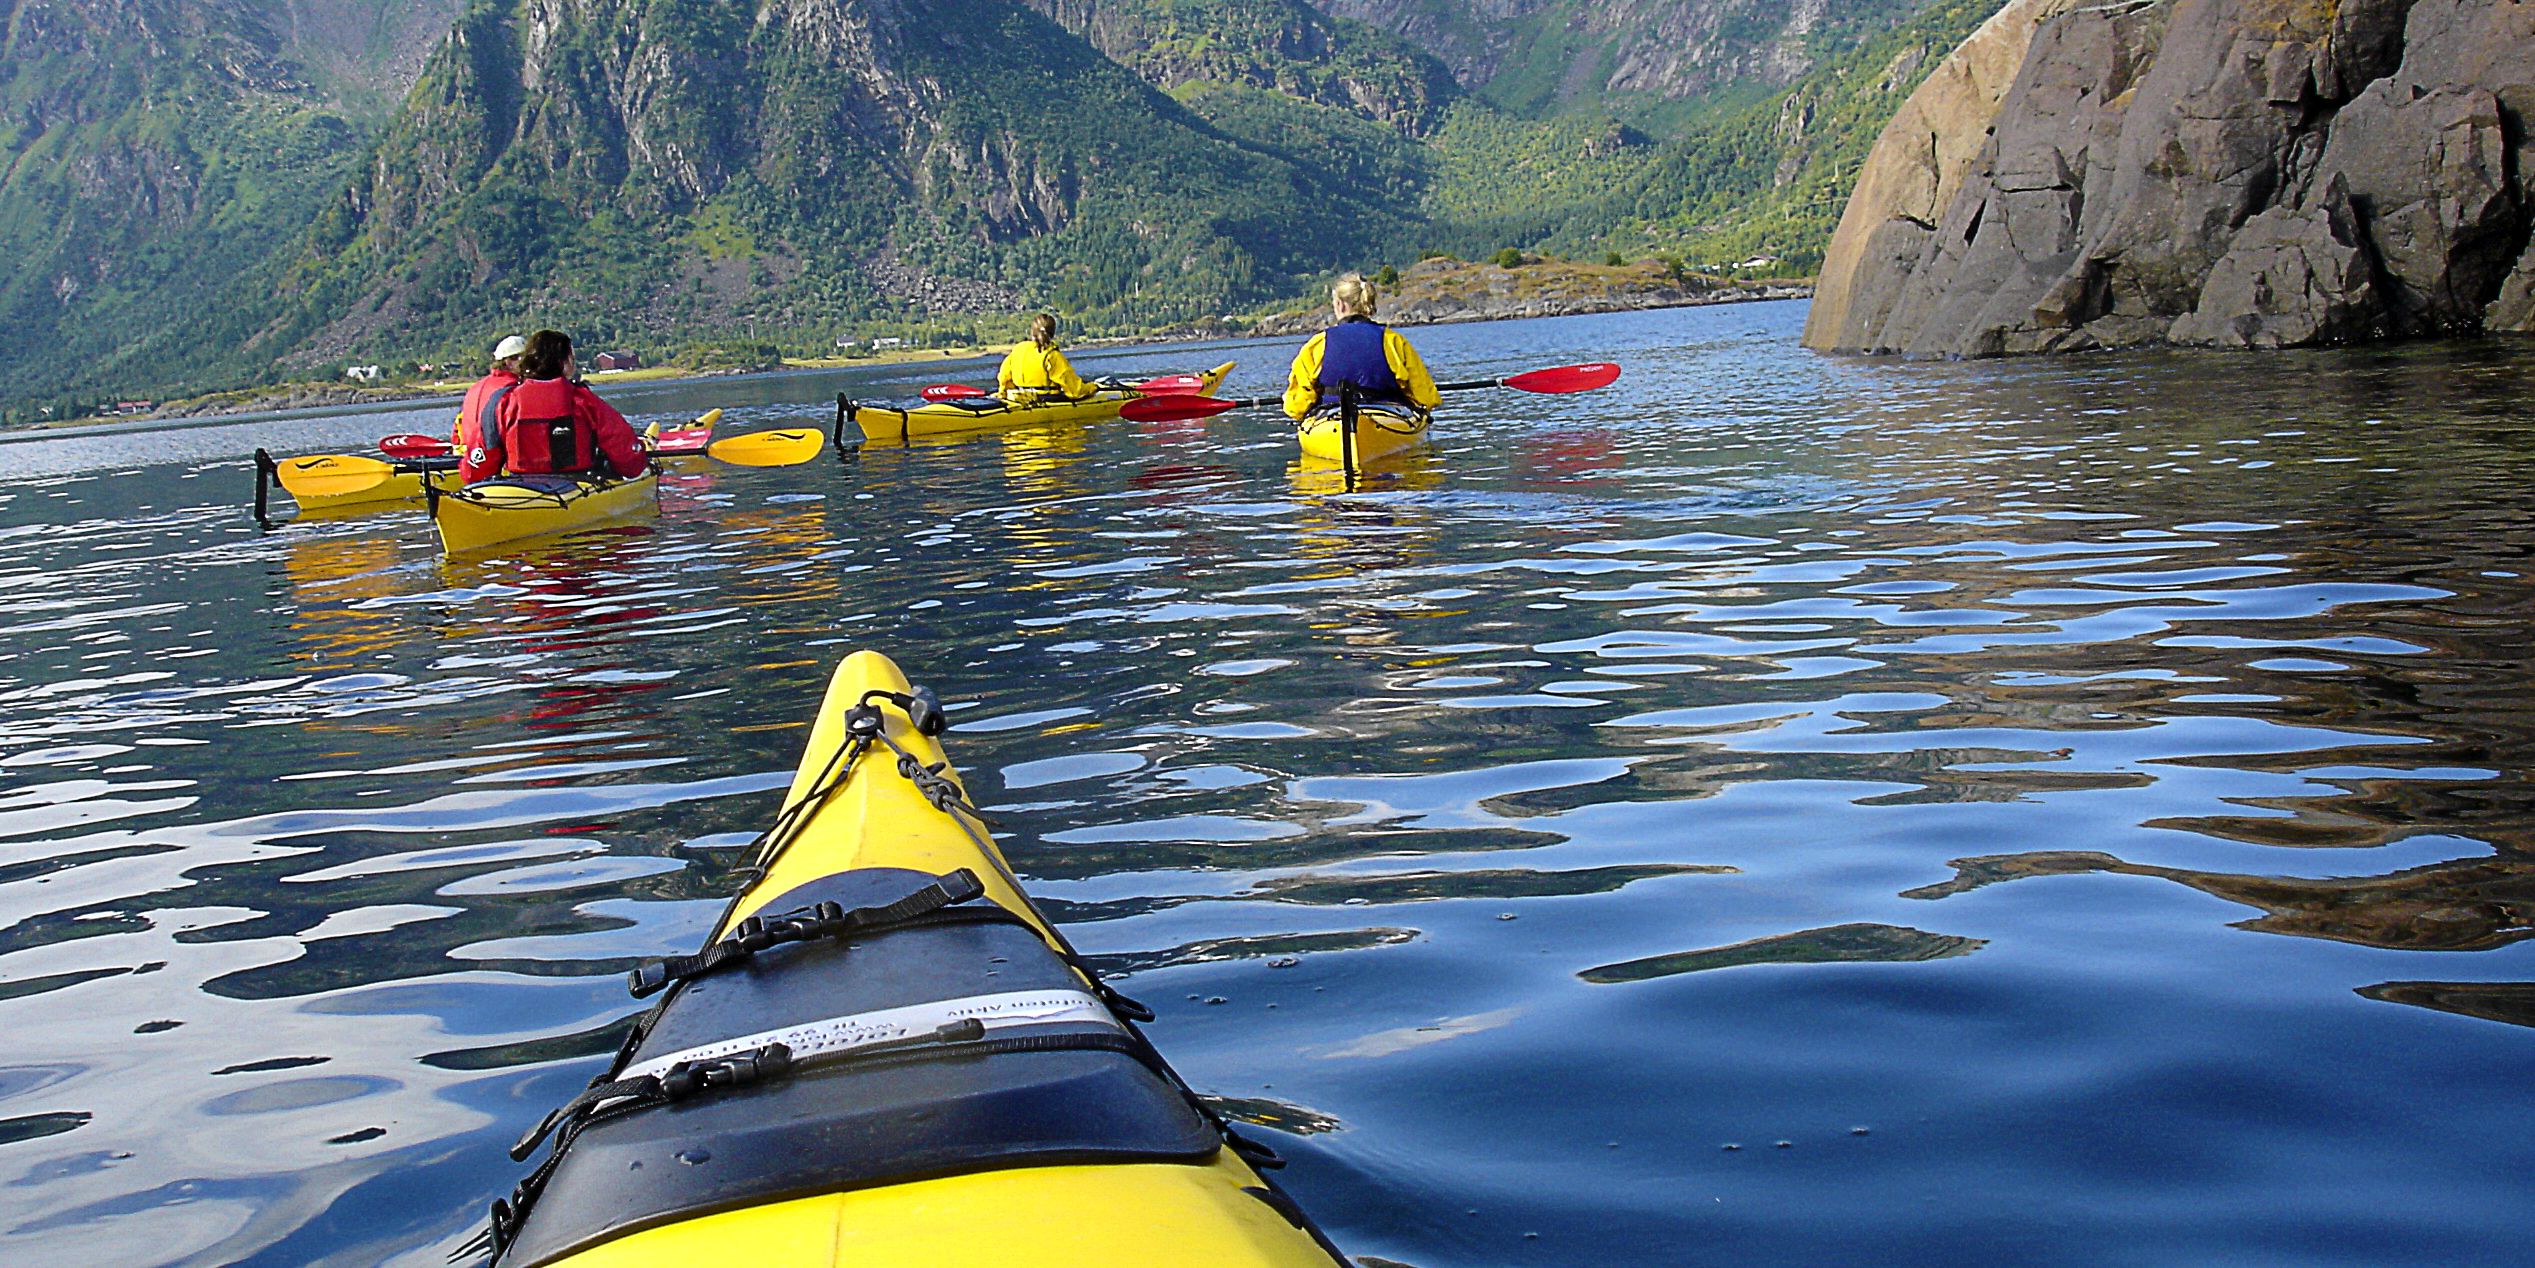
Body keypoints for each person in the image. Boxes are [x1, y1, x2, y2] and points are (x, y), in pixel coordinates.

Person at [469, 329, 649, 483]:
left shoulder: (503, 403)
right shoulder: (583, 400)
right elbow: (630, 461)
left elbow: (474, 472)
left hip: (521, 486)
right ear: (565, 363)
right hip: (577, 484)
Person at [1283, 272, 1440, 423]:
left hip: (1331, 422)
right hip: (1388, 418)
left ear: (1340, 305)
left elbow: (1296, 407)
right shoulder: (1393, 341)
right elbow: (1426, 397)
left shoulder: (1317, 344)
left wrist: (1289, 403)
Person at [452, 333, 526, 469]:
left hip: (470, 459)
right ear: (509, 362)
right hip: (497, 463)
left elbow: (457, 429)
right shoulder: (514, 390)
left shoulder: (474, 387)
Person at [997, 313, 1090, 404]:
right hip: (1046, 399)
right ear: (1052, 332)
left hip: (1019, 398)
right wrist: (1093, 387)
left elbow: (1003, 377)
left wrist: (1003, 393)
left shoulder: (1018, 350)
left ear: (1032, 331)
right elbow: (1075, 391)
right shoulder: (1052, 355)